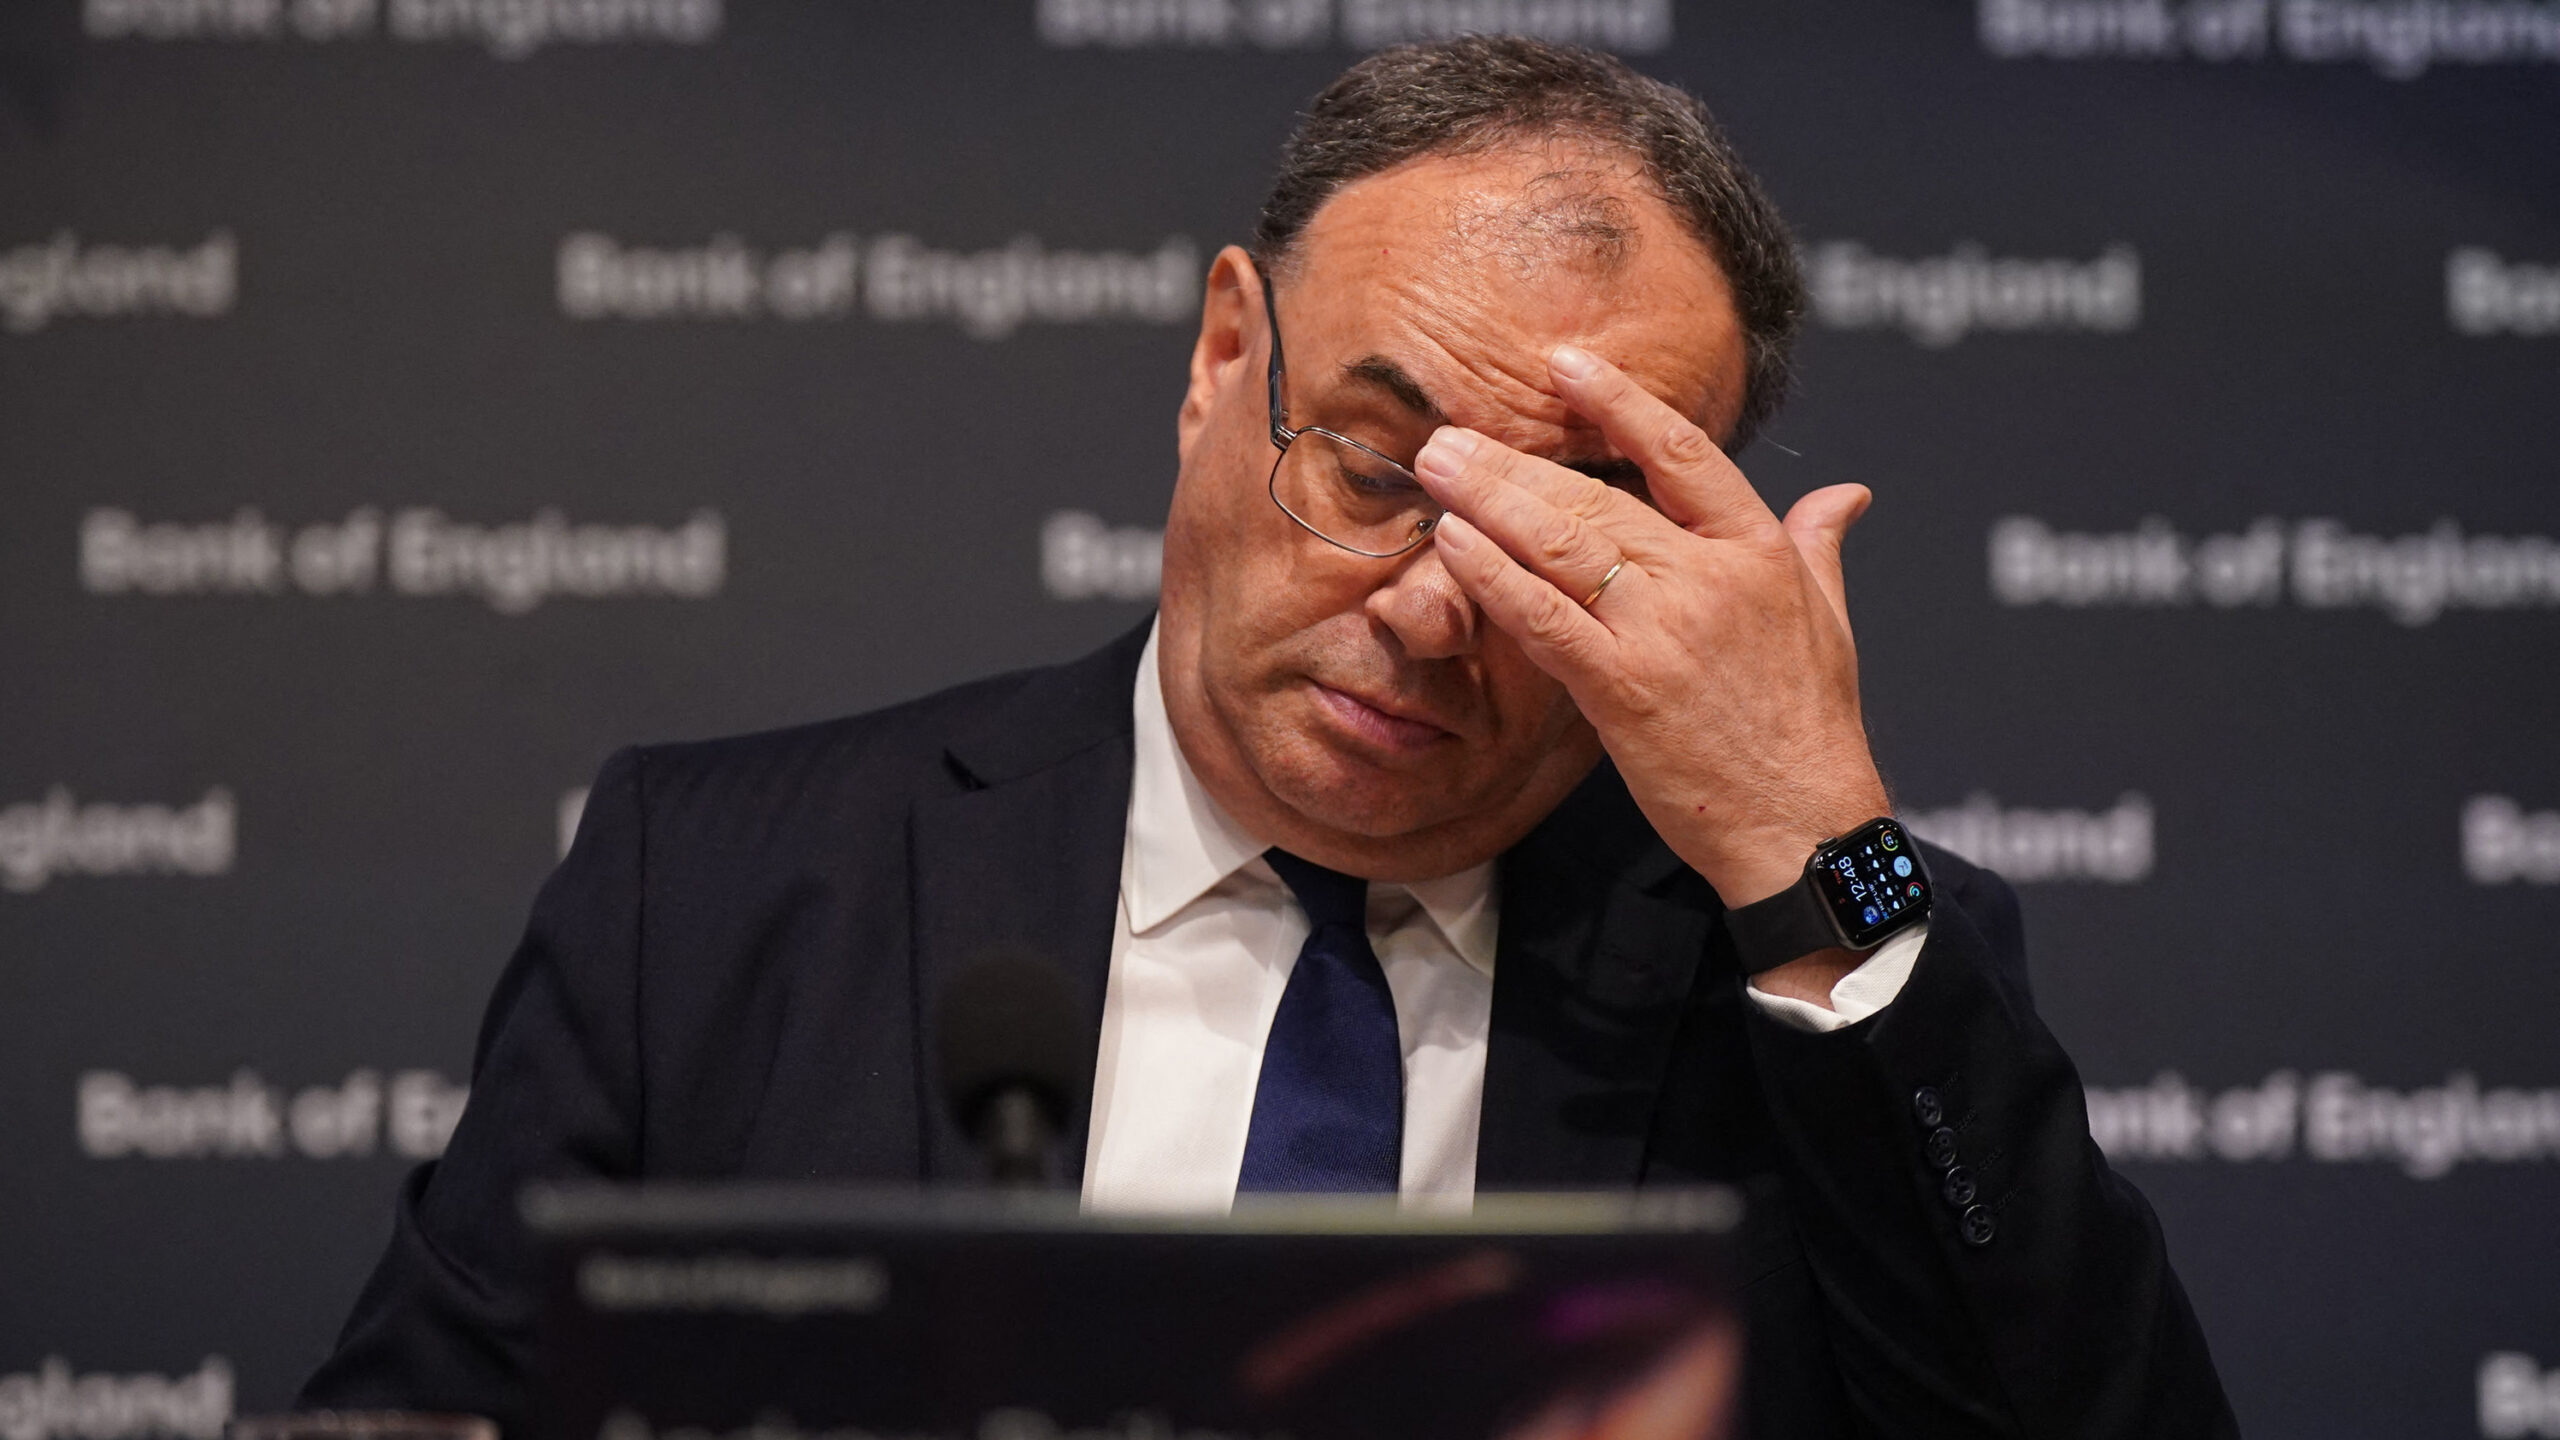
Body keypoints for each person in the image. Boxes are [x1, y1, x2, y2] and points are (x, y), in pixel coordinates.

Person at [303, 35, 2235, 1438]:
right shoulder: (721, 885)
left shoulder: (1835, 955)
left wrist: (1822, 849)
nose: (1423, 608)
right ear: (1228, 358)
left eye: (1557, 541)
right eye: (1378, 472)